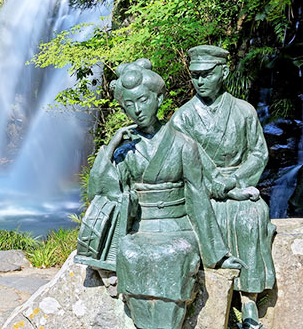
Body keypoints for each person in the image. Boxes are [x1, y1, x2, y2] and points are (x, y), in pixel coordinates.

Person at [78, 58, 243, 329]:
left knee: (174, 255)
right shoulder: (125, 149)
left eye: (143, 100)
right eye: (129, 105)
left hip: (177, 226)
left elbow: (198, 199)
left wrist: (218, 254)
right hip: (141, 226)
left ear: (160, 98)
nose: (137, 110)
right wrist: (110, 148)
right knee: (131, 254)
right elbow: (99, 192)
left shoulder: (182, 144)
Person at [170, 45, 276, 329]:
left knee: (251, 217)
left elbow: (258, 154)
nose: (200, 81)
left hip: (239, 183)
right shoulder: (182, 117)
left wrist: (234, 182)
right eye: (195, 76)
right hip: (200, 189)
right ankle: (216, 297)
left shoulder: (244, 111)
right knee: (201, 216)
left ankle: (249, 299)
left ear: (224, 72)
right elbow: (183, 160)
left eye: (206, 74)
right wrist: (217, 187)